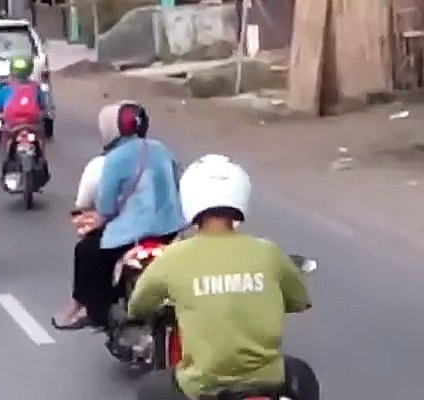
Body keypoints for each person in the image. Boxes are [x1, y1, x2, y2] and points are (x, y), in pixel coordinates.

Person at [128, 154, 319, 400]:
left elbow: (138, 305)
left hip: (202, 385)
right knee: (303, 374)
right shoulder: (268, 251)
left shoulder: (173, 257)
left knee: (149, 390)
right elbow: (300, 301)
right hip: (270, 379)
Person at [54, 101, 184, 331]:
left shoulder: (114, 159)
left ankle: (91, 310)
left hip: (132, 234)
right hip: (170, 229)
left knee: (87, 251)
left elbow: (105, 206)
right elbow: (177, 182)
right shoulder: (162, 149)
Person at [0, 54, 49, 179]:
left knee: (5, 137)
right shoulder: (35, 87)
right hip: (33, 123)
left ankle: (6, 161)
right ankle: (42, 160)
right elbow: (43, 105)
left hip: (12, 125)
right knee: (41, 136)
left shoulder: (6, 87)